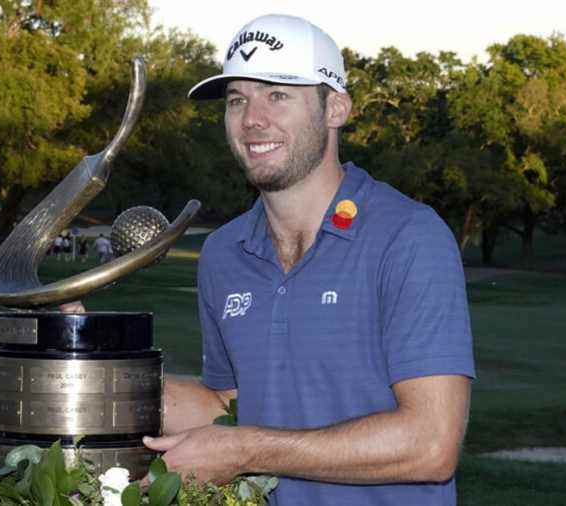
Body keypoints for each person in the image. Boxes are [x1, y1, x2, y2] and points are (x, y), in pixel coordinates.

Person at [141, 14, 475, 506]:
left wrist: (247, 451)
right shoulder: (223, 253)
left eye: (278, 94)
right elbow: (229, 410)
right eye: (238, 100)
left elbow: (430, 444)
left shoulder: (408, 237)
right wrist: (95, 370)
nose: (252, 118)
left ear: (335, 108)